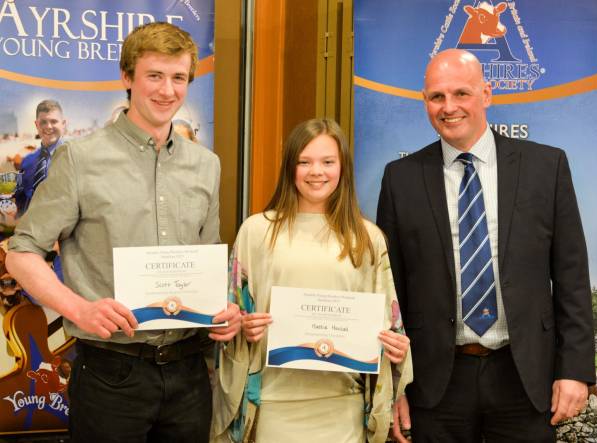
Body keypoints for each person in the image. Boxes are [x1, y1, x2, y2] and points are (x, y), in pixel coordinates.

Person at [6, 22, 241, 443]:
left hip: (190, 374)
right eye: (154, 75)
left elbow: (206, 261)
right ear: (127, 77)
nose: (167, 90)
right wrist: (79, 310)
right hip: (110, 375)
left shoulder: (207, 165)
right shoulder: (80, 159)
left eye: (179, 78)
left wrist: (223, 311)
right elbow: (21, 253)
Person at [376, 48, 595, 442]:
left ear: (487, 95)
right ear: (424, 101)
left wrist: (576, 369)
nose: (449, 107)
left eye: (461, 93)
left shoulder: (547, 167)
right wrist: (393, 385)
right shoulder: (400, 178)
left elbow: (572, 278)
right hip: (435, 383)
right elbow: (391, 291)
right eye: (436, 97)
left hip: (524, 376)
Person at [211, 119, 413, 443]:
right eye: (304, 162)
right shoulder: (255, 231)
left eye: (327, 162)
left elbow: (389, 326)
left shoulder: (367, 238)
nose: (315, 171)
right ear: (290, 167)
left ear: (343, 168)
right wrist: (244, 329)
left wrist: (396, 348)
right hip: (273, 407)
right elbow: (228, 320)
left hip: (342, 409)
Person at [15, 99, 66, 215]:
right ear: (37, 125)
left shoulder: (75, 158)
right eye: (43, 122)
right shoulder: (27, 162)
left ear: (63, 124)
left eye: (54, 121)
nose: (48, 126)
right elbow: (20, 200)